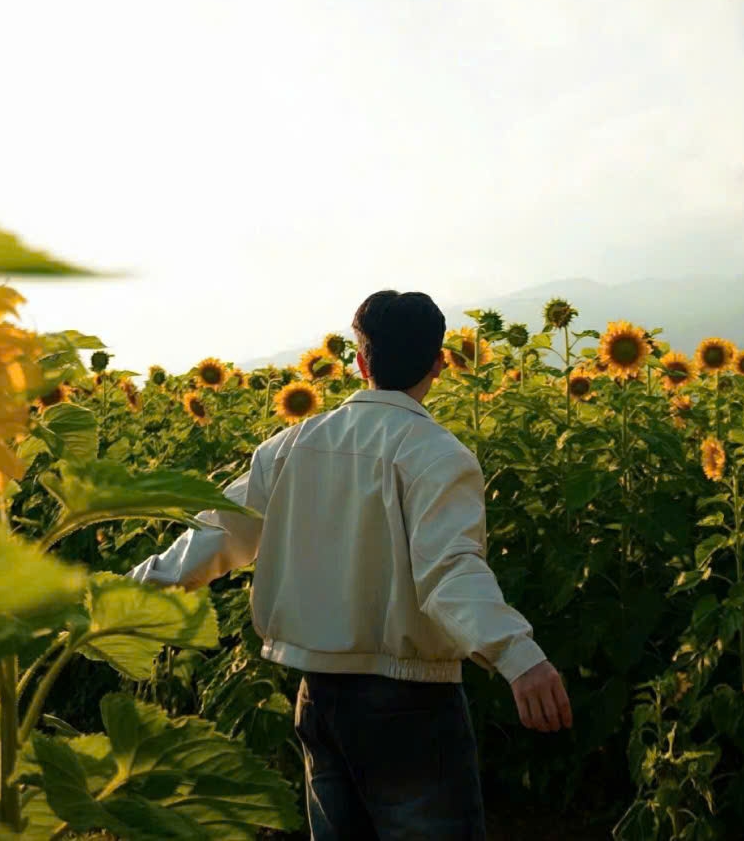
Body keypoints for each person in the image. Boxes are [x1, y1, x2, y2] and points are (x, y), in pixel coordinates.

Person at [128, 289, 572, 840]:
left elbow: (215, 537)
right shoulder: (437, 454)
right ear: (440, 364)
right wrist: (518, 655)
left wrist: (120, 593)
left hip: (318, 696)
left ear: (360, 360)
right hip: (410, 703)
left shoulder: (289, 446)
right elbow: (450, 570)